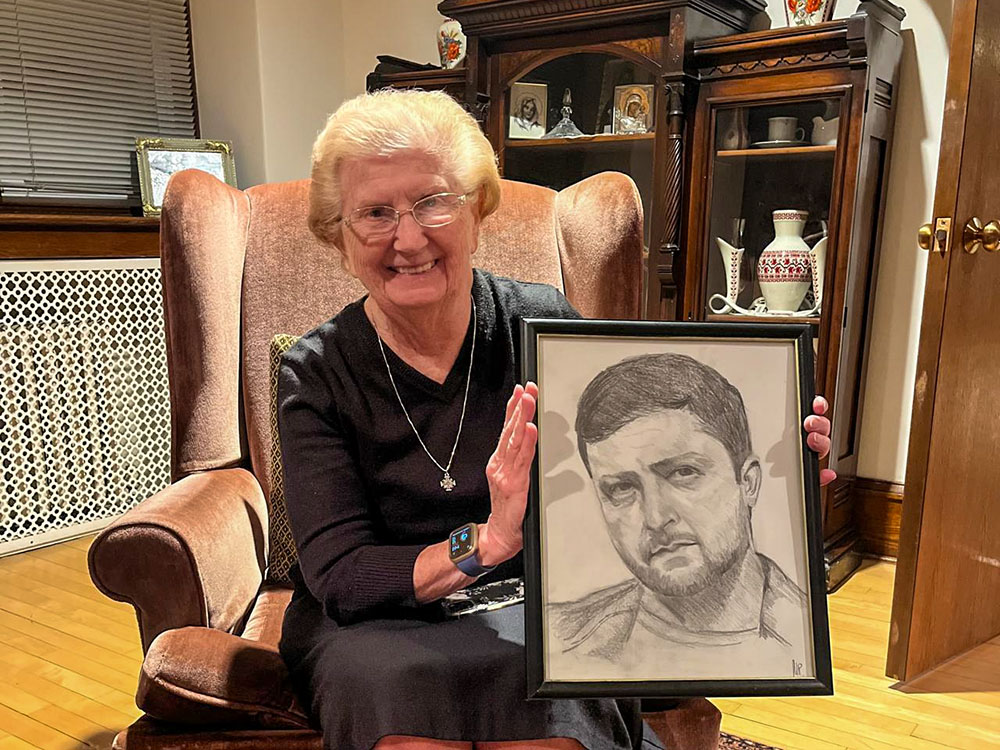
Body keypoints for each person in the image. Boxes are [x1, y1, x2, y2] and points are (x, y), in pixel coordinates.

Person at [276, 88, 834, 750]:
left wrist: (785, 489)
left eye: (432, 202)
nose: (409, 237)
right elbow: (342, 575)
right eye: (375, 213)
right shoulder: (316, 371)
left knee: (553, 715)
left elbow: (627, 508)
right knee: (399, 712)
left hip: (525, 605)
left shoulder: (544, 331)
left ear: (477, 212)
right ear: (339, 239)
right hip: (370, 624)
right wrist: (480, 543)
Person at [548, 353, 820, 680]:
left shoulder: (805, 639)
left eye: (683, 472)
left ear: (747, 482)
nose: (655, 518)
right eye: (621, 488)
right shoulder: (560, 642)